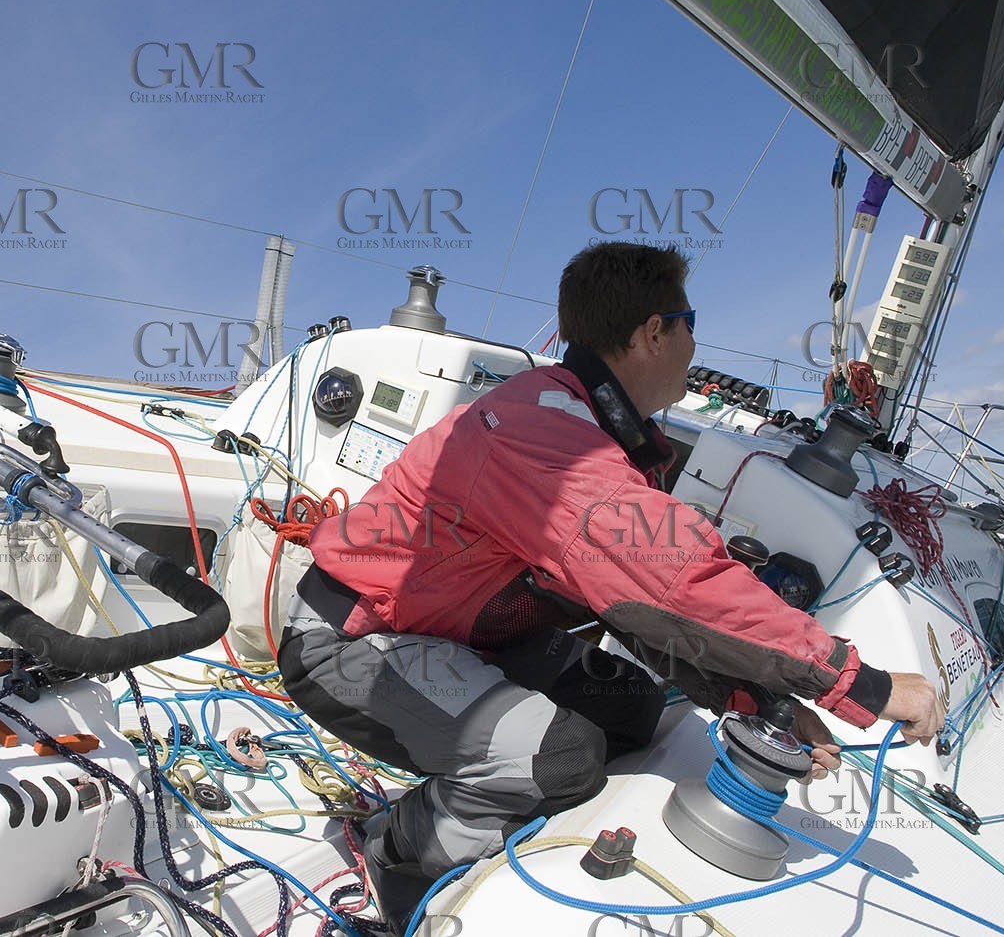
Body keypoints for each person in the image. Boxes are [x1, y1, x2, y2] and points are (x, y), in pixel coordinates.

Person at [278, 241, 946, 927]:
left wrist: (754, 695)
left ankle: (476, 792)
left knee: (629, 706)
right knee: (562, 755)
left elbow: (632, 605)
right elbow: (671, 584)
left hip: (453, 629)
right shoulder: (547, 435)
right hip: (353, 636)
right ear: (653, 331)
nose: (695, 341)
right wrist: (862, 683)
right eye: (690, 321)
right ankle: (397, 852)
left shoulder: (594, 429)